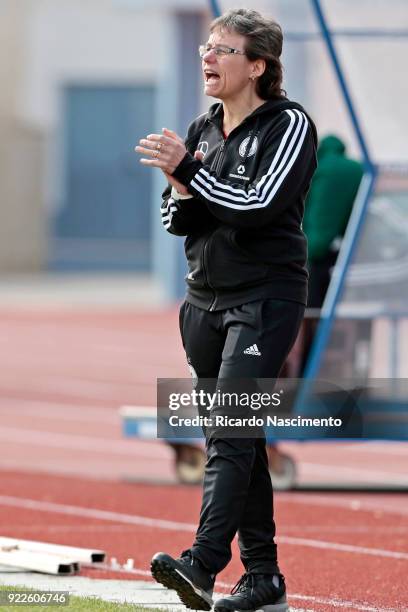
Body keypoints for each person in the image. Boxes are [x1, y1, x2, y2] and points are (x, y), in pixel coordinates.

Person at [136, 8, 317, 612]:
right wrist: (182, 181)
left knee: (232, 434)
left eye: (223, 49)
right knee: (237, 436)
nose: (207, 58)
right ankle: (263, 578)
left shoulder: (288, 124)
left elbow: (259, 204)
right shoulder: (202, 127)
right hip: (203, 302)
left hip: (265, 298)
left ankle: (203, 562)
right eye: (206, 47)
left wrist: (188, 172)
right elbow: (175, 219)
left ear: (259, 65)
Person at [303, 134, 364, 308]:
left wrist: (308, 251)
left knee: (310, 307)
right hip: (344, 250)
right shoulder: (357, 168)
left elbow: (320, 216)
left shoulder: (321, 169)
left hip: (316, 252)